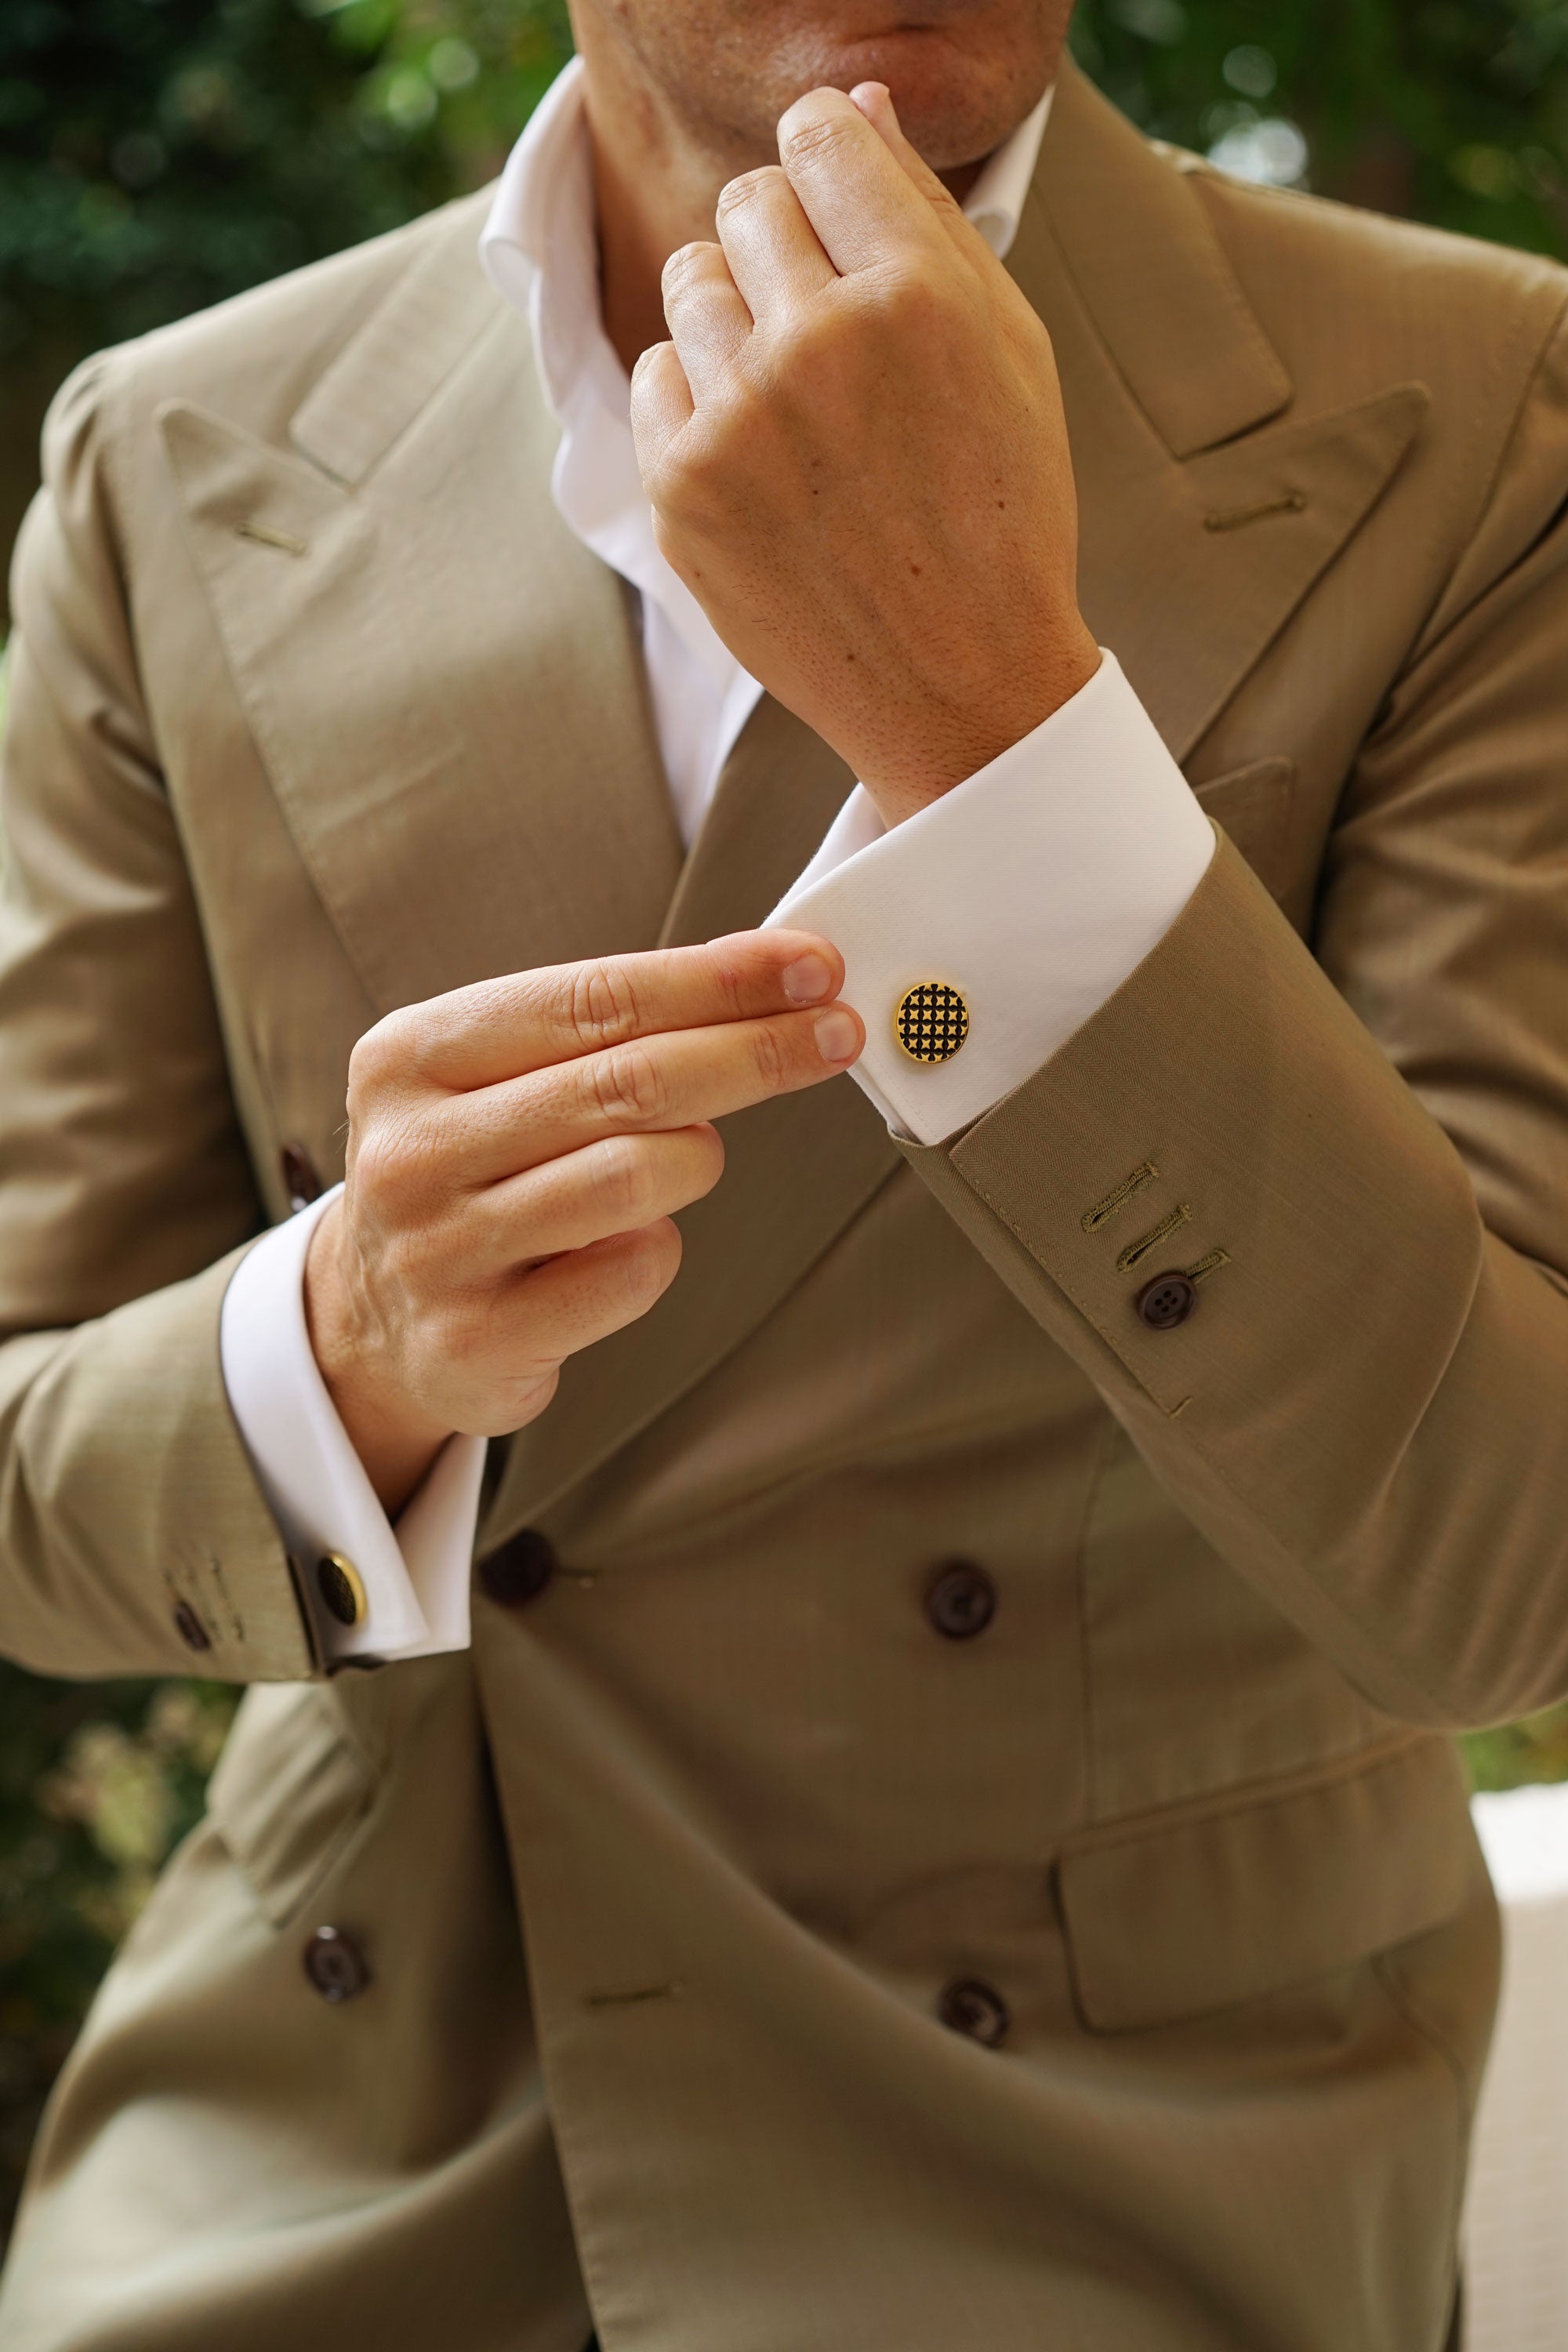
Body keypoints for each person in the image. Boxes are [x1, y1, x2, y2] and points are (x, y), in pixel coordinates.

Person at [0, 0, 1564, 2340]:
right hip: (345, 2130)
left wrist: (992, 725)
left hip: (1121, 2182)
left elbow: (1510, 1560)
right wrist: (342, 1352)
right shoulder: (176, 448)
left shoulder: (1480, 408)